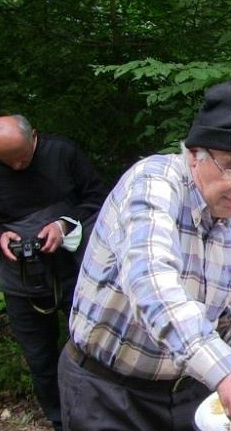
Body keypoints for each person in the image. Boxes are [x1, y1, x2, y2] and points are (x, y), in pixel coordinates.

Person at [58, 77, 231, 431]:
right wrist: (229, 371)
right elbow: (151, 282)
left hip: (191, 391)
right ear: (195, 154)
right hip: (110, 394)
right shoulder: (153, 182)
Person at [0, 114, 107, 431]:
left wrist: (64, 224)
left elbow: (99, 199)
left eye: (22, 158)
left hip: (75, 272)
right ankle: (60, 420)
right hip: (18, 279)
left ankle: (100, 416)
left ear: (34, 136)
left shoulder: (63, 153)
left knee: (92, 348)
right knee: (40, 357)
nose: (18, 167)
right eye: (8, 163)